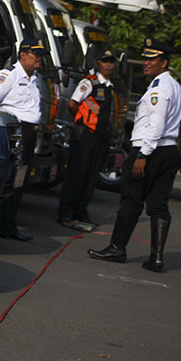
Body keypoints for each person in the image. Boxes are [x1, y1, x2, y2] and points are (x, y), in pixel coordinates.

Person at [88, 37, 181, 272]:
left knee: (131, 200)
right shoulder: (174, 85)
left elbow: (156, 123)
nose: (146, 63)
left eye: (152, 59)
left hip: (150, 149)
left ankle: (117, 248)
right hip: (169, 150)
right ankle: (157, 258)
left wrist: (143, 154)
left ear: (164, 62)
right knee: (158, 205)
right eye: (145, 58)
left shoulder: (160, 88)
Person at [0, 37, 47, 242]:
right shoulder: (9, 74)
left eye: (40, 55)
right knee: (7, 178)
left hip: (30, 132)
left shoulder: (35, 78)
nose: (39, 58)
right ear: (22, 55)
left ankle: (8, 226)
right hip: (14, 131)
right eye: (35, 54)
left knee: (21, 180)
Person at [58, 50, 117, 230]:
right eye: (104, 61)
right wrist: (81, 122)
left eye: (111, 62)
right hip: (85, 136)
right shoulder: (89, 82)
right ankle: (66, 213)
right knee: (77, 174)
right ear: (97, 63)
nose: (108, 65)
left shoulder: (109, 86)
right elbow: (73, 103)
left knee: (91, 177)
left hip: (100, 138)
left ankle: (81, 212)